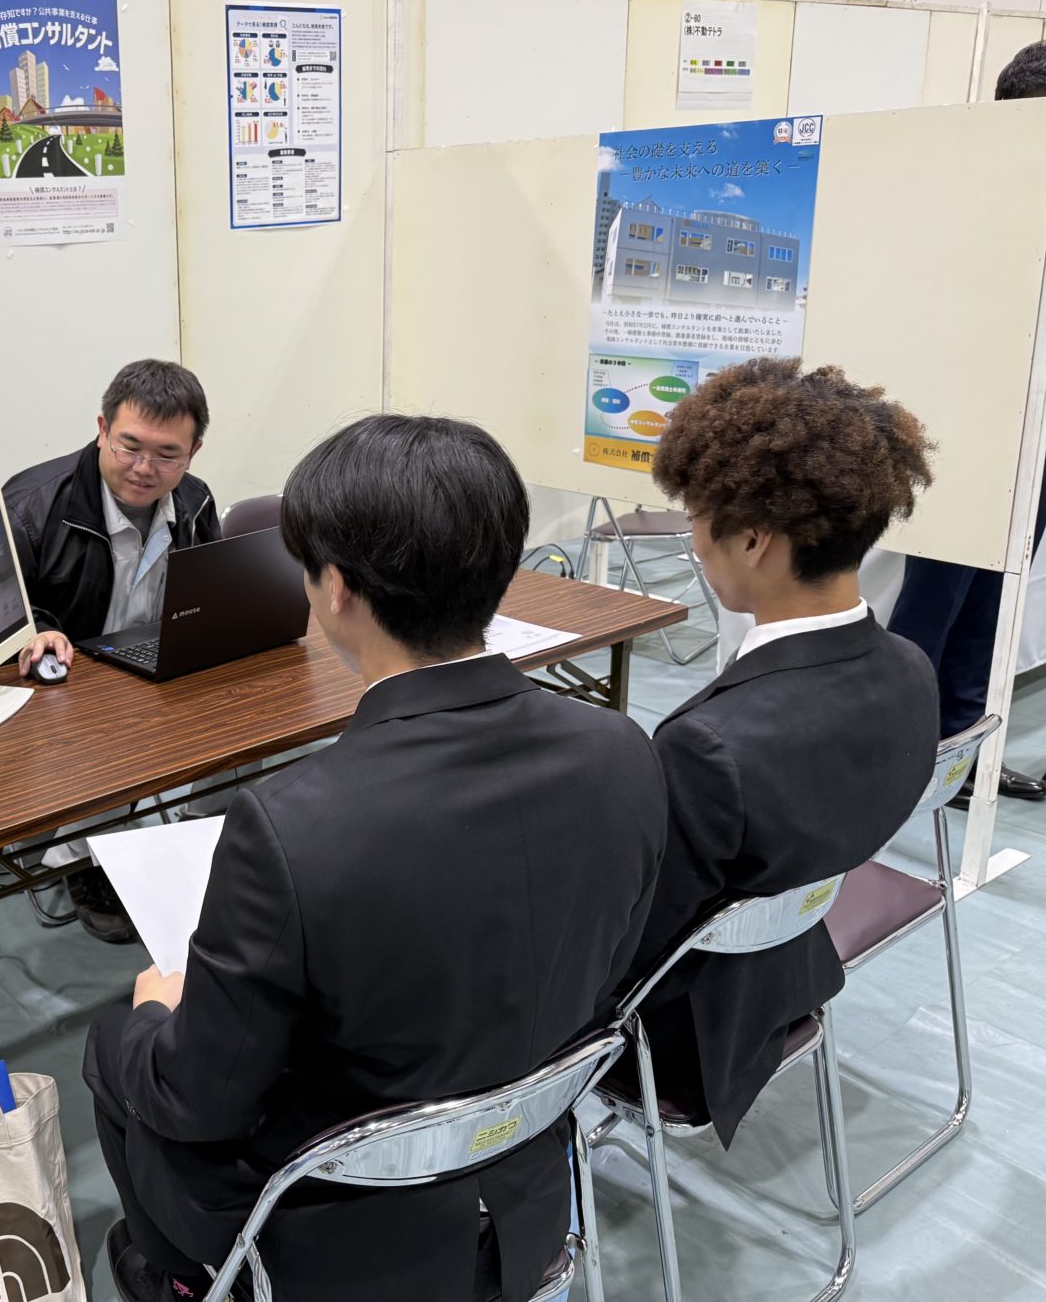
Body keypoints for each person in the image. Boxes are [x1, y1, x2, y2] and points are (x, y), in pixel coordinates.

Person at [83, 415, 667, 1302]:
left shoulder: (290, 826)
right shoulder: (625, 751)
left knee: (118, 1041)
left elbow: (200, 1100)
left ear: (335, 590)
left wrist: (155, 1017)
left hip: (336, 1208)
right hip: (527, 1158)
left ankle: (181, 1277)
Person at [627, 358, 940, 1144]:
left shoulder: (710, 746)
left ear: (753, 539)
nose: (694, 539)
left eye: (698, 518)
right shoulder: (910, 671)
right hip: (792, 967)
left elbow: (642, 943)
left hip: (684, 1033)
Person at [888, 37, 1046, 801]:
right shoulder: (971, 206)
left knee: (996, 605)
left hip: (1043, 443)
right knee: (933, 607)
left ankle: (959, 754)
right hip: (969, 441)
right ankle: (891, 757)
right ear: (1027, 112)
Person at [3, 360, 221, 943]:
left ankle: (201, 835)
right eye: (130, 446)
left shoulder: (195, 502)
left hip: (153, 668)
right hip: (68, 686)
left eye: (168, 454)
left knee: (257, 706)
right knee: (113, 726)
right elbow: (1, 618)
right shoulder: (31, 507)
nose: (145, 469)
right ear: (102, 429)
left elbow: (212, 591)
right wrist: (37, 631)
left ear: (194, 452)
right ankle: (84, 862)